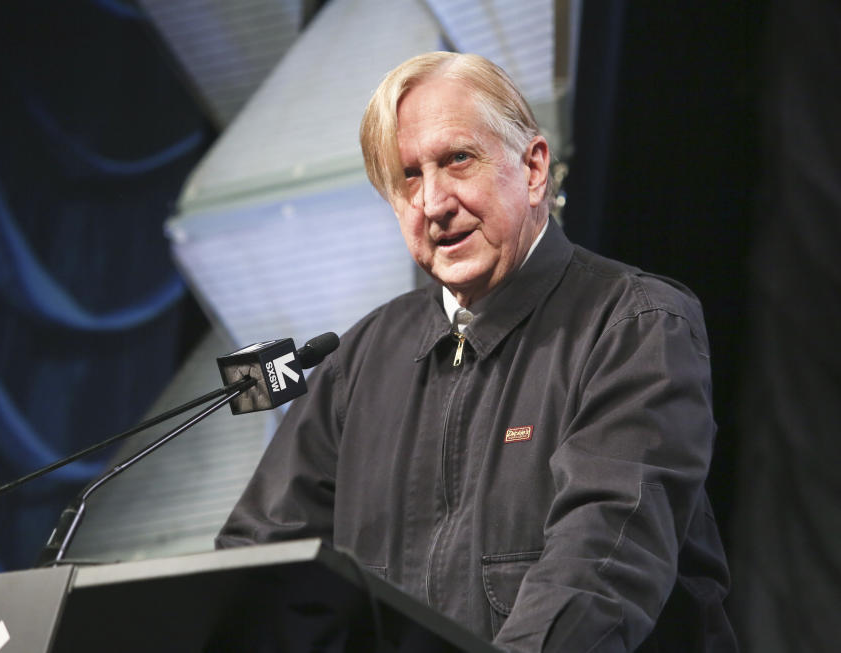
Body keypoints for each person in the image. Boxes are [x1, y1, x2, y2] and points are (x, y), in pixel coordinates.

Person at [217, 52, 736, 652]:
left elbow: (600, 569)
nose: (434, 202)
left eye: (457, 159)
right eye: (408, 176)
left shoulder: (635, 325)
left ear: (534, 168)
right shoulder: (358, 363)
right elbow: (256, 570)